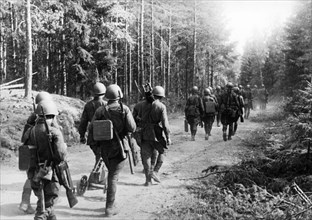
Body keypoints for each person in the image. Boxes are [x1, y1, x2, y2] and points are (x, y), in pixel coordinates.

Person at [89, 84, 136, 217]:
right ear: (119, 95)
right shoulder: (124, 109)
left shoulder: (100, 111)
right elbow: (132, 128)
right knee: (113, 177)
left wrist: (96, 145)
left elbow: (91, 128)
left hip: (105, 149)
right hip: (120, 148)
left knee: (111, 174)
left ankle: (111, 204)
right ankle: (109, 207)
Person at [25, 100, 68, 220]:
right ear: (52, 116)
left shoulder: (30, 131)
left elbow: (25, 149)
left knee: (45, 201)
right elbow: (61, 156)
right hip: (51, 174)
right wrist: (64, 147)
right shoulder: (54, 132)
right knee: (45, 208)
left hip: (35, 173)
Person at [19, 91, 55, 215]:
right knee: (43, 180)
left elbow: (24, 138)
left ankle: (25, 202)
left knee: (31, 177)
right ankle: (44, 207)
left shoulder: (32, 117)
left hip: (30, 154)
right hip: (43, 155)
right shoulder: (49, 117)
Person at [78, 82, 106, 183]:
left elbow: (83, 122)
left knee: (99, 156)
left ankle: (99, 177)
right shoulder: (106, 105)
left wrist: (82, 135)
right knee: (101, 156)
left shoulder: (88, 105)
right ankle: (96, 177)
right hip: (105, 135)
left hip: (93, 135)